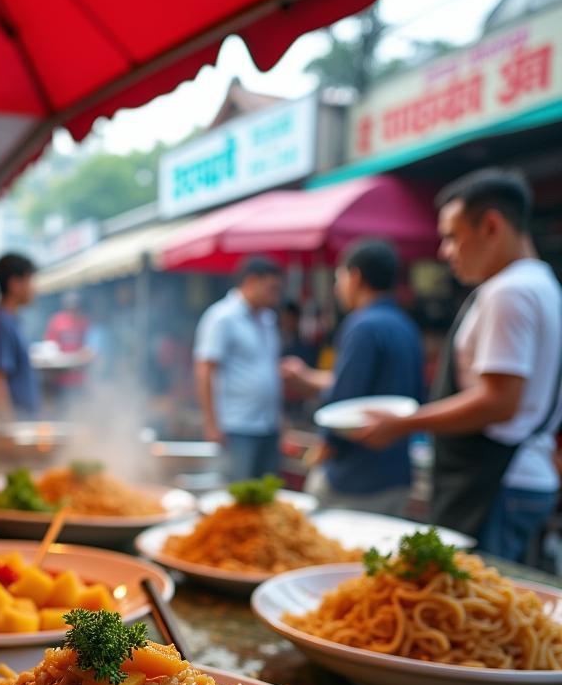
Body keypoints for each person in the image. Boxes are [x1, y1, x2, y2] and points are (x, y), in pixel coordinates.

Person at [356, 169, 562, 561]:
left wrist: (404, 424)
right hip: (518, 477)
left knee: (479, 610)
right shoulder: (541, 283)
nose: (444, 252)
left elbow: (499, 402)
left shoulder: (510, 291)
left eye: (452, 236)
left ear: (490, 226)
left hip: (497, 484)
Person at [282, 239, 424, 515]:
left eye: (339, 277)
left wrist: (325, 447)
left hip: (355, 478)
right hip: (396, 473)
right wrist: (310, 378)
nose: (337, 287)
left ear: (355, 276)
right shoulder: (405, 324)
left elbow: (345, 400)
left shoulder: (362, 326)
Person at [194, 255, 283, 482]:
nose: (275, 295)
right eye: (271, 288)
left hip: (268, 424)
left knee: (266, 494)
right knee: (238, 491)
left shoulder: (268, 319)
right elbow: (205, 370)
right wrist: (211, 424)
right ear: (252, 281)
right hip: (237, 425)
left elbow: (267, 369)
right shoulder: (222, 317)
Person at [0, 253, 41, 417]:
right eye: (30, 281)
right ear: (14, 284)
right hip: (15, 422)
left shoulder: (11, 321)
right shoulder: (0, 323)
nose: (34, 288)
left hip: (24, 418)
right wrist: (8, 426)